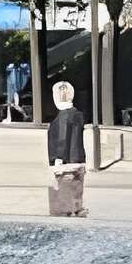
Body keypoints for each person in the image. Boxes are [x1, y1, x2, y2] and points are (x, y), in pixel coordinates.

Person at [45, 80, 86, 215]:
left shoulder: (62, 117)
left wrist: (58, 158)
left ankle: (65, 210)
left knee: (63, 187)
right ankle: (77, 208)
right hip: (78, 157)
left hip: (65, 159)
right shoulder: (77, 114)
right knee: (76, 186)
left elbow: (62, 138)